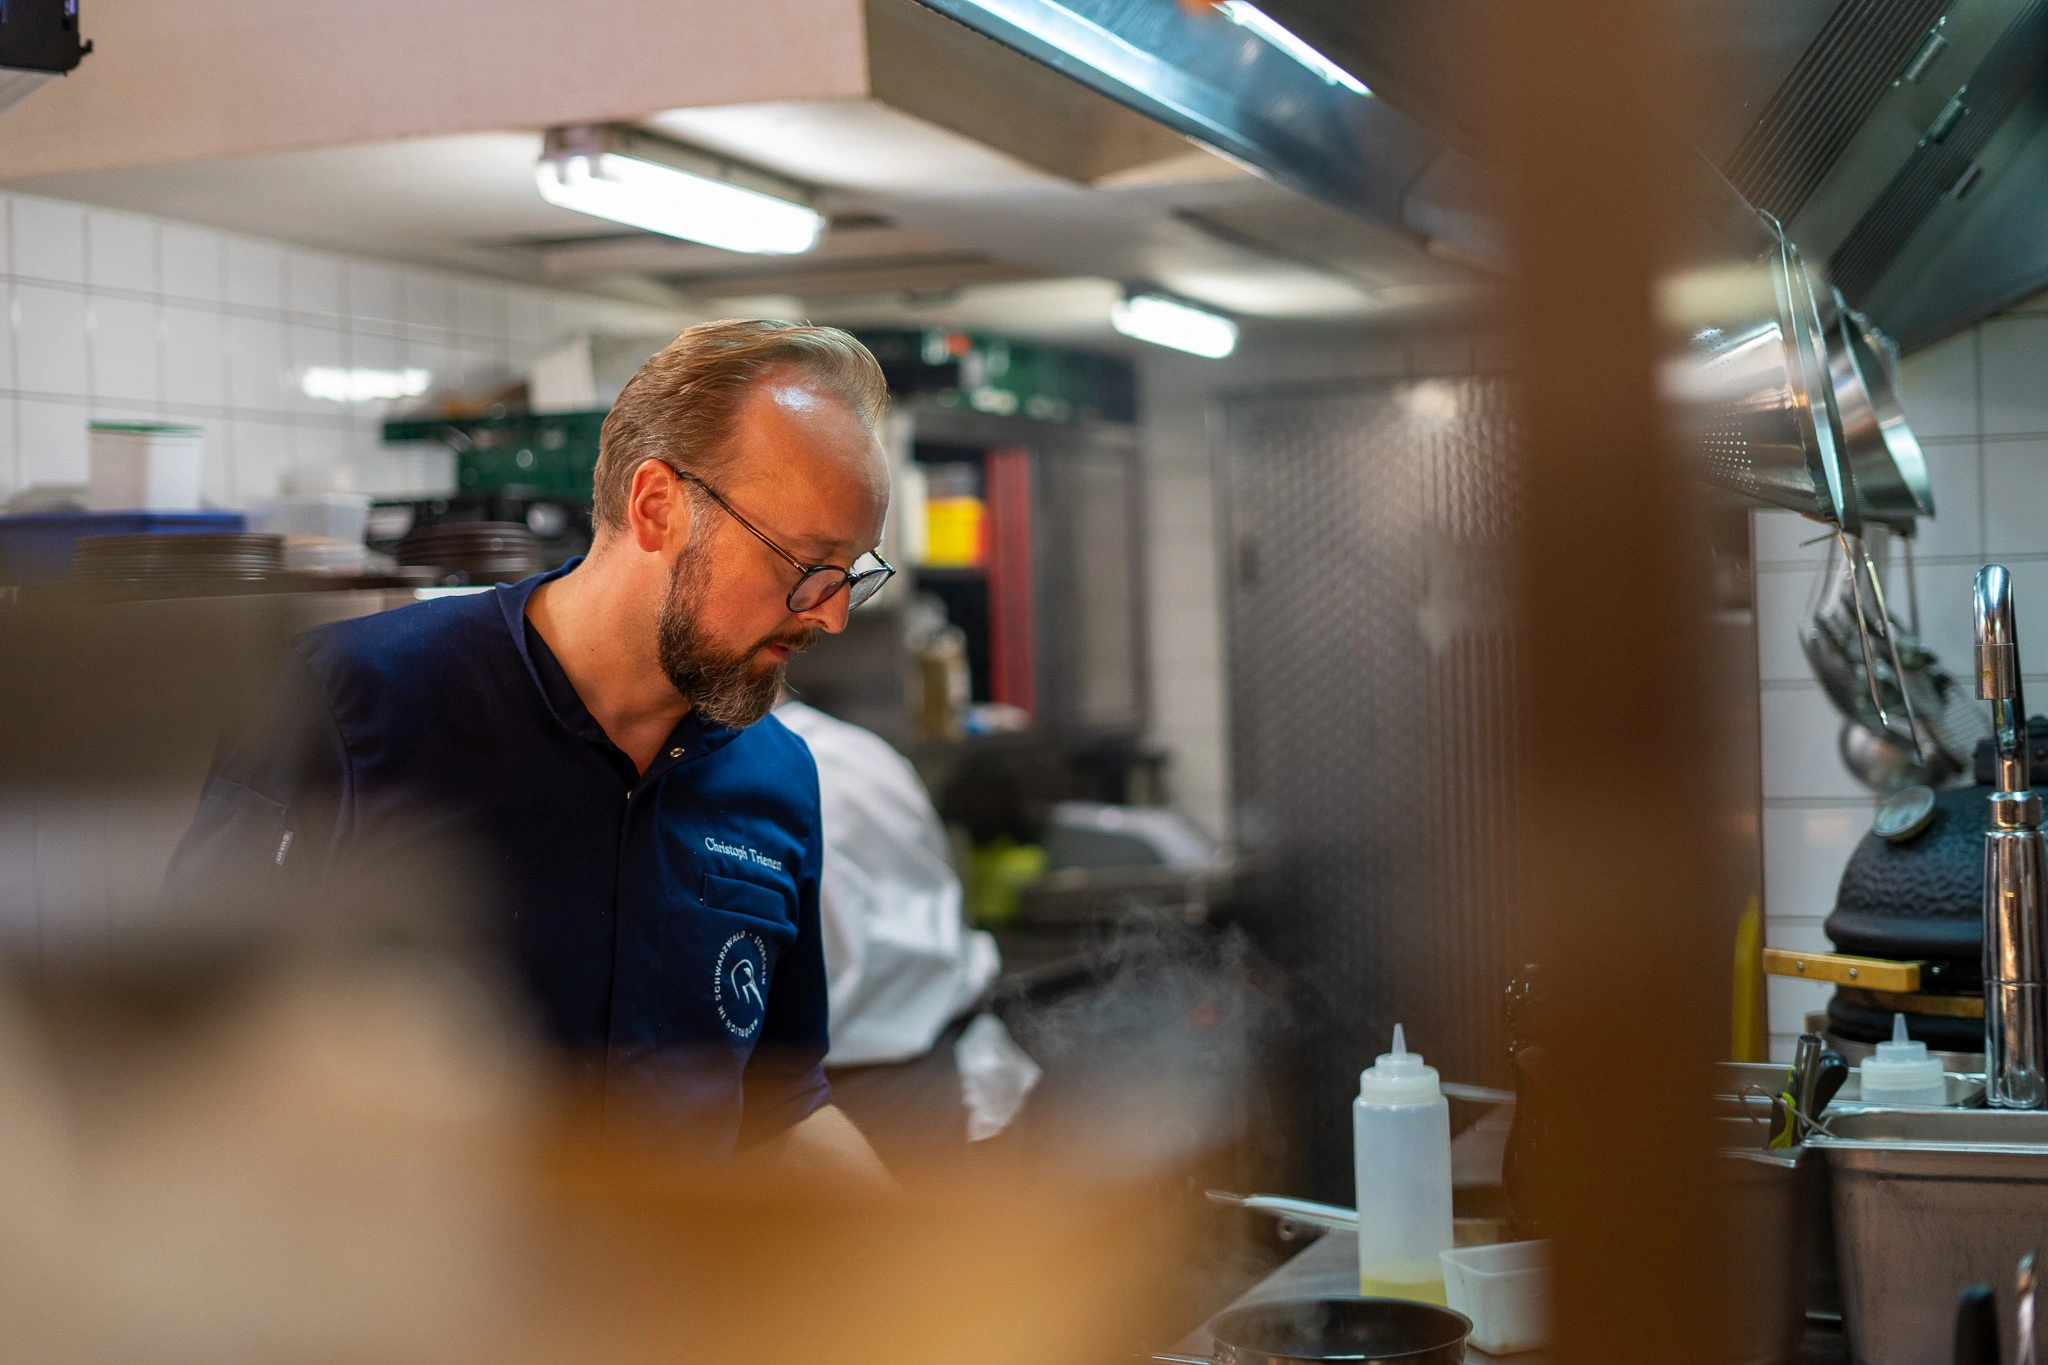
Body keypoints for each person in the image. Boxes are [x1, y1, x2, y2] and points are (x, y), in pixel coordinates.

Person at [164, 320, 898, 1187]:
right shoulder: (348, 698)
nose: (832, 615)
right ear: (658, 504)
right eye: (808, 564)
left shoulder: (777, 776)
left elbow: (780, 1104)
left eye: (852, 572)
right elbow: (188, 1054)